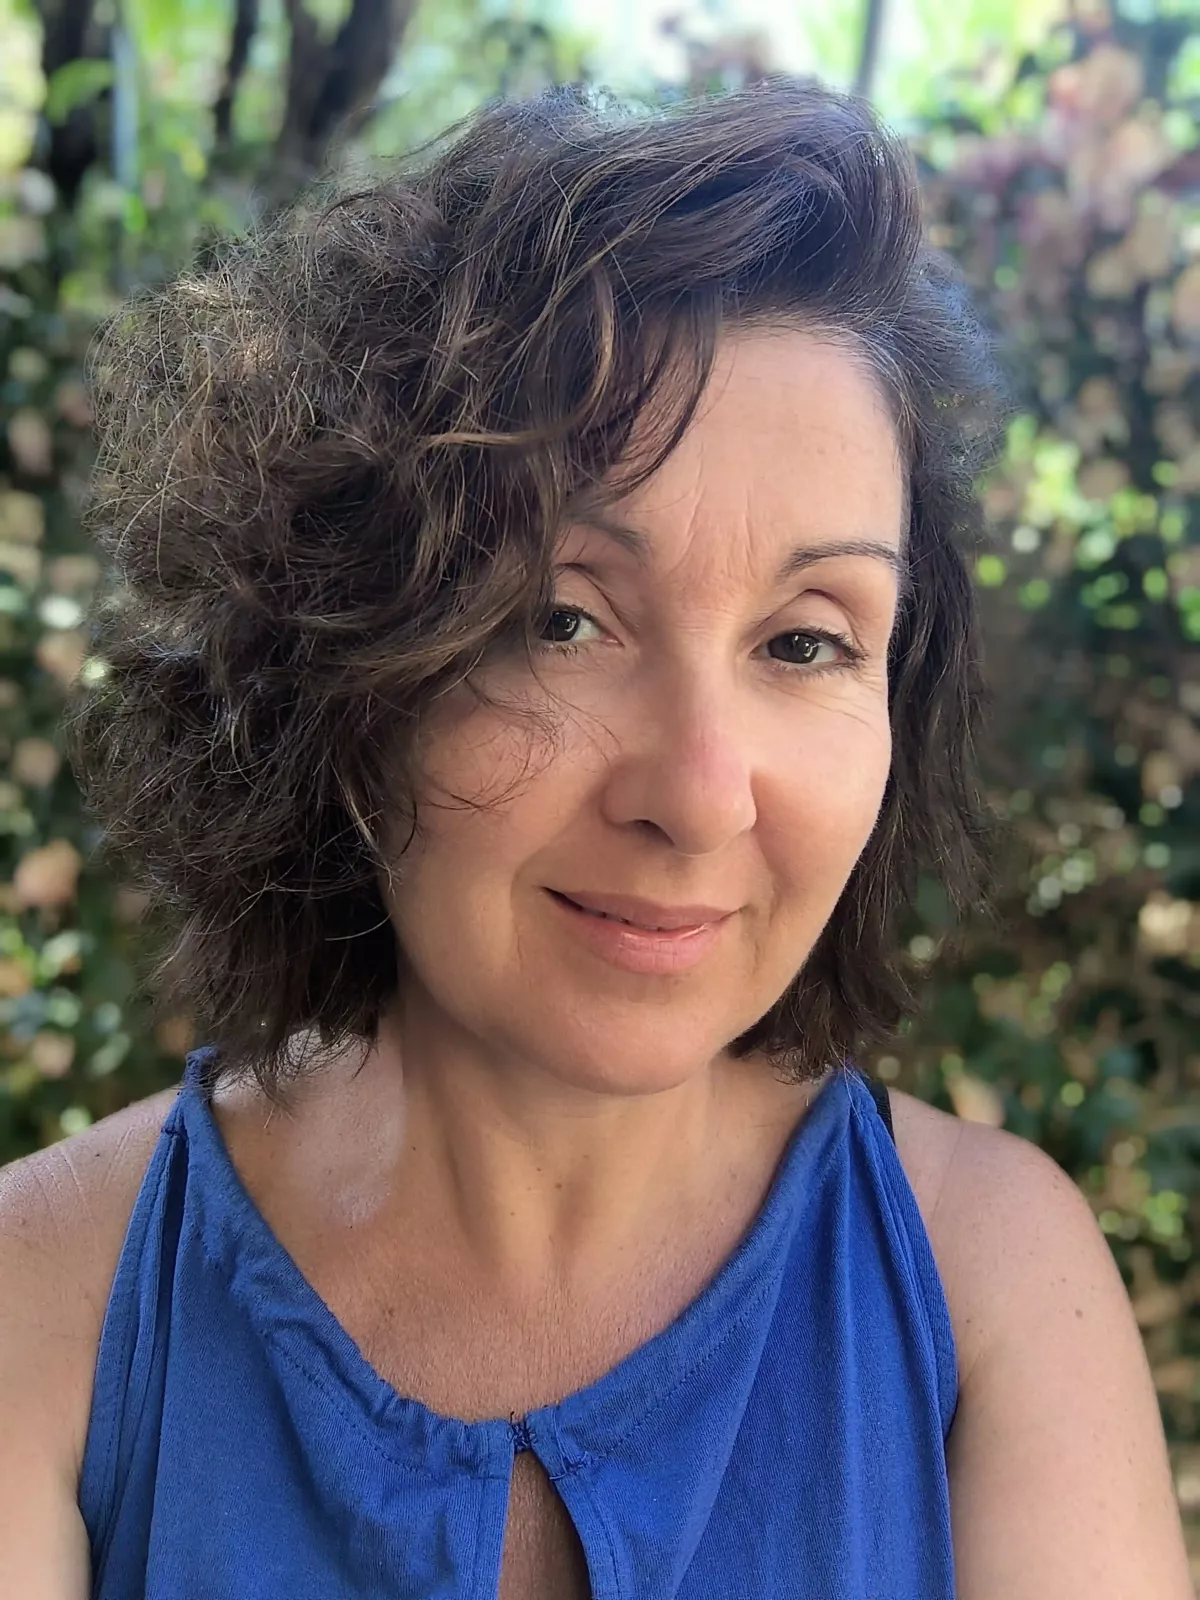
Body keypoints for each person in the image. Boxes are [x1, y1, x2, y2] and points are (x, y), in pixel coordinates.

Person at [0, 78, 1190, 1600]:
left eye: (808, 642)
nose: (701, 795)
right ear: (349, 661)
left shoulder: (992, 1285)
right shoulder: (49, 1300)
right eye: (562, 618)